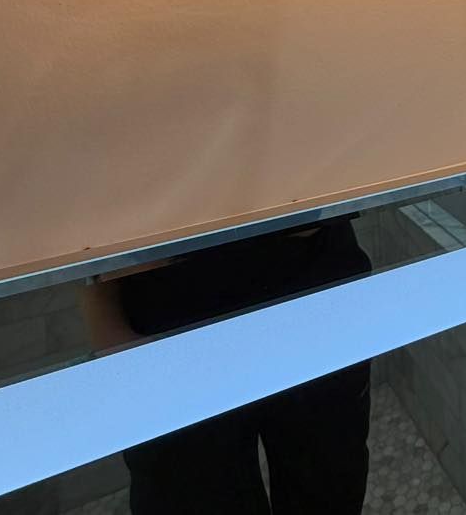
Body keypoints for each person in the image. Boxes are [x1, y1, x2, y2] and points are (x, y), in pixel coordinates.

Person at [80, 216, 372, 514]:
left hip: (311, 276)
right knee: (192, 493)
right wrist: (104, 315)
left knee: (330, 484)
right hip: (168, 307)